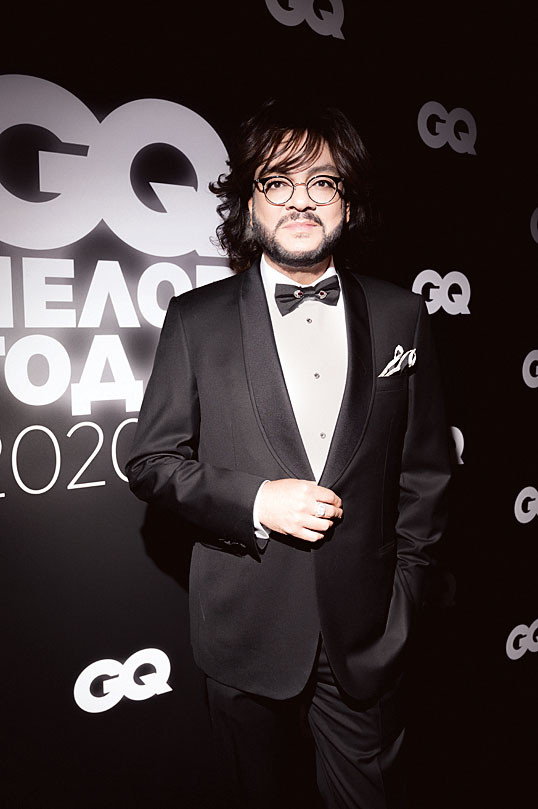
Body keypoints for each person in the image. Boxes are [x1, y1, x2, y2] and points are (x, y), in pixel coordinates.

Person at [126, 99, 451, 809]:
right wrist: (256, 500)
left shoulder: (402, 314)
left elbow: (425, 473)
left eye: (322, 182)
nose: (300, 200)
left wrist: (405, 600)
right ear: (250, 201)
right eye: (278, 181)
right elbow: (150, 461)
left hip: (367, 637)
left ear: (347, 201)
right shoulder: (196, 319)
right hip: (244, 636)